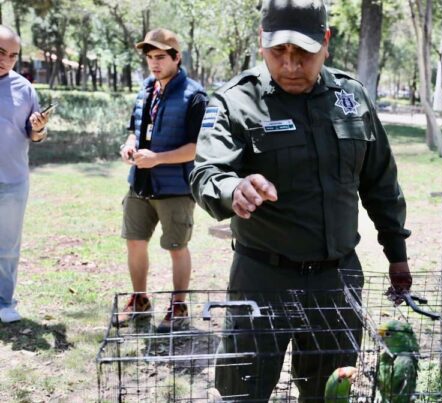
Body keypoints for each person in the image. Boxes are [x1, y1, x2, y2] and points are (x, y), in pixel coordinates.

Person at [190, 0, 412, 399]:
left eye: (304, 54)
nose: (291, 65)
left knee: (329, 391)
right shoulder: (235, 101)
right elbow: (207, 173)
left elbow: (381, 183)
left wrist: (397, 253)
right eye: (279, 52)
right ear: (262, 43)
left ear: (326, 42)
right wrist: (234, 189)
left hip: (336, 279)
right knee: (243, 390)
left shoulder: (352, 97)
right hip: (263, 280)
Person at [114, 28, 208, 333]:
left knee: (176, 247)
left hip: (176, 189)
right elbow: (133, 129)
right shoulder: (145, 89)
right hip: (139, 184)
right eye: (150, 58)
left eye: (160, 57)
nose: (154, 64)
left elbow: (196, 149)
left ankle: (178, 306)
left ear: (176, 57)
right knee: (134, 242)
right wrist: (129, 145)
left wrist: (157, 158)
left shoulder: (195, 95)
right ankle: (139, 300)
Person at [0, 25, 50, 323]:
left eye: (13, 55)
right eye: (1, 53)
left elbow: (35, 134)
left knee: (7, 246)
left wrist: (39, 127)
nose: (6, 60)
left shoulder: (24, 89)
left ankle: (4, 302)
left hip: (13, 181)